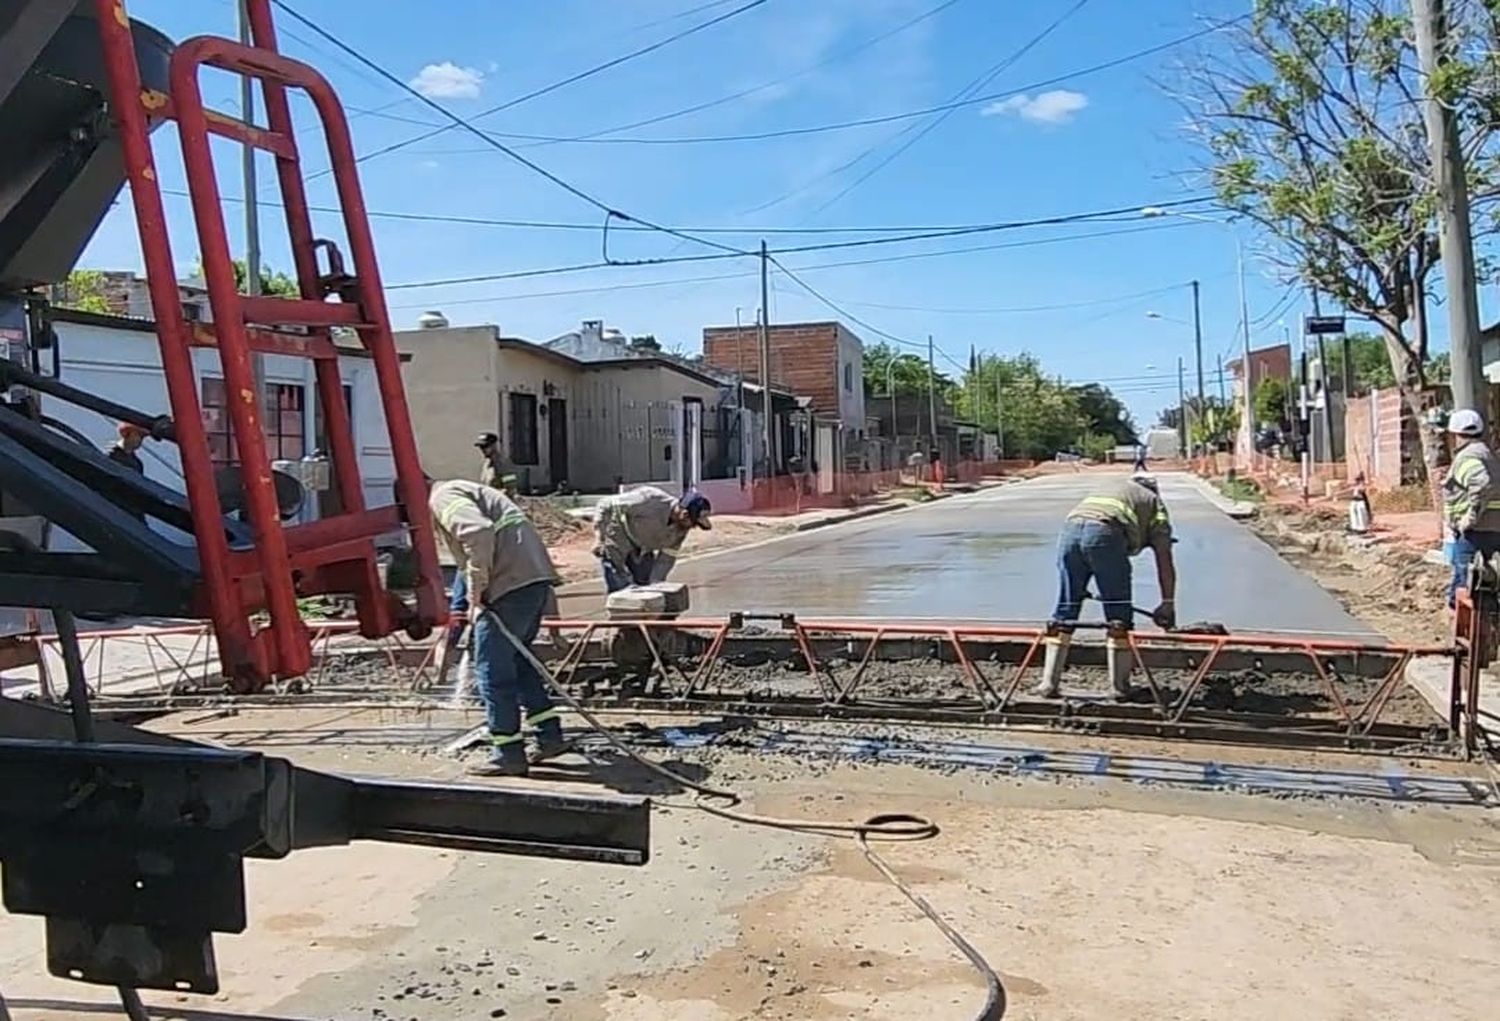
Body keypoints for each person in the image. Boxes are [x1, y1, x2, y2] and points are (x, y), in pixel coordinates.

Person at [428, 477, 567, 777]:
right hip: (532, 580)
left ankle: (507, 753)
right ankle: (549, 735)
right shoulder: (471, 491)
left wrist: (477, 596)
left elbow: (477, 534)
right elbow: (468, 563)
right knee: (518, 661)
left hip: (508, 586)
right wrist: (458, 620)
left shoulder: (442, 498)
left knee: (492, 672)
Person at [1036, 472, 1177, 700]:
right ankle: (1120, 688)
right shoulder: (1154, 503)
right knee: (1118, 613)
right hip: (1105, 534)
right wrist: (1168, 604)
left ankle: (1048, 684)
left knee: (1065, 610)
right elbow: (1164, 557)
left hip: (1069, 533)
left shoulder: (1115, 488)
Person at [593, 486, 712, 592]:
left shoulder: (680, 530)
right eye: (694, 523)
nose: (693, 527)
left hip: (643, 548)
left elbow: (666, 559)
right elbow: (605, 504)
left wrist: (656, 585)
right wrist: (600, 537)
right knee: (621, 590)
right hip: (619, 537)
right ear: (684, 514)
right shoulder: (649, 499)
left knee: (645, 589)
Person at [1441, 408, 1500, 606]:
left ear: (1455, 435)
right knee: (1486, 587)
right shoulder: (1488, 455)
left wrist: (1470, 518)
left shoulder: (1467, 457)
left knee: (1463, 588)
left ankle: (1470, 633)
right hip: (1493, 530)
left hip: (1475, 533)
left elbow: (1481, 484)